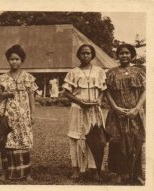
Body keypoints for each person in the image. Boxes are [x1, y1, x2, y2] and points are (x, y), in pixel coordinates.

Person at [62, 44, 107, 179]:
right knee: (76, 137)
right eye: (83, 53)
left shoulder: (99, 71)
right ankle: (76, 169)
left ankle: (94, 169)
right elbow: (66, 92)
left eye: (88, 53)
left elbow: (103, 90)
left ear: (92, 55)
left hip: (94, 110)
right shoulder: (73, 72)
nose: (85, 55)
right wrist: (80, 102)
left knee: (95, 137)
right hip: (78, 109)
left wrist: (99, 99)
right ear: (79, 55)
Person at [0, 44, 38, 181]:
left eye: (17, 59)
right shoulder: (1, 78)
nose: (14, 61)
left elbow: (31, 96)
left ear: (22, 61)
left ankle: (26, 173)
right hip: (7, 114)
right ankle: (5, 172)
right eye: (12, 59)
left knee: (23, 141)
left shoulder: (28, 77)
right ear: (8, 60)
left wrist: (33, 113)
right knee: (5, 142)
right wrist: (6, 93)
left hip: (23, 114)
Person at [105, 44, 145, 184]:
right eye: (121, 53)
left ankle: (136, 173)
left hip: (135, 113)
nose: (124, 56)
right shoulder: (111, 73)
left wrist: (136, 108)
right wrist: (115, 108)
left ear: (132, 55)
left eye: (127, 53)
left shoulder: (138, 72)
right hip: (117, 113)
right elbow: (107, 92)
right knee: (116, 142)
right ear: (117, 55)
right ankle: (118, 173)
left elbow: (145, 91)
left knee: (136, 141)